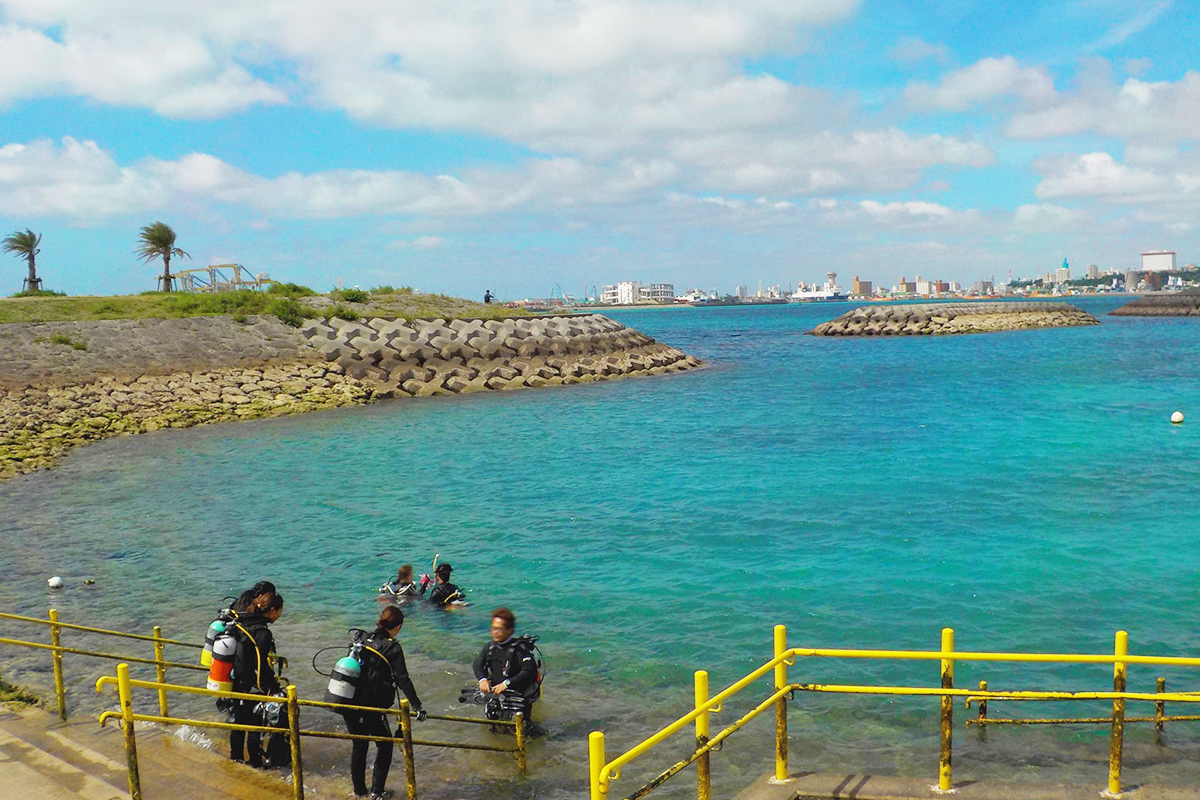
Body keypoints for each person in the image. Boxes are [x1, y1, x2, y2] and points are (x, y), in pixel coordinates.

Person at [344, 605, 425, 800]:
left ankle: (359, 792)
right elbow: (403, 679)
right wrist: (417, 706)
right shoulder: (392, 647)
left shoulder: (361, 639)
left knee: (359, 744)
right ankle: (376, 792)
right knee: (385, 745)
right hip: (372, 708)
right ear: (397, 627)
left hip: (350, 703)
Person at [229, 593, 283, 767]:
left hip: (235, 680)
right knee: (254, 726)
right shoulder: (263, 632)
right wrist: (274, 686)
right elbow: (259, 664)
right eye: (280, 611)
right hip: (251, 683)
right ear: (272, 610)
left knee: (238, 722)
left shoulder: (243, 622)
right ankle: (254, 762)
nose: (279, 615)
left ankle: (236, 758)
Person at [473, 607, 539, 720]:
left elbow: (528, 671)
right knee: (493, 722)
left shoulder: (519, 649)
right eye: (493, 628)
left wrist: (507, 684)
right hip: (496, 692)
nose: (495, 632)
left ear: (509, 630)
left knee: (522, 727)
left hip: (518, 694)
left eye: (499, 629)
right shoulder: (490, 647)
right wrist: (482, 679)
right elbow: (477, 664)